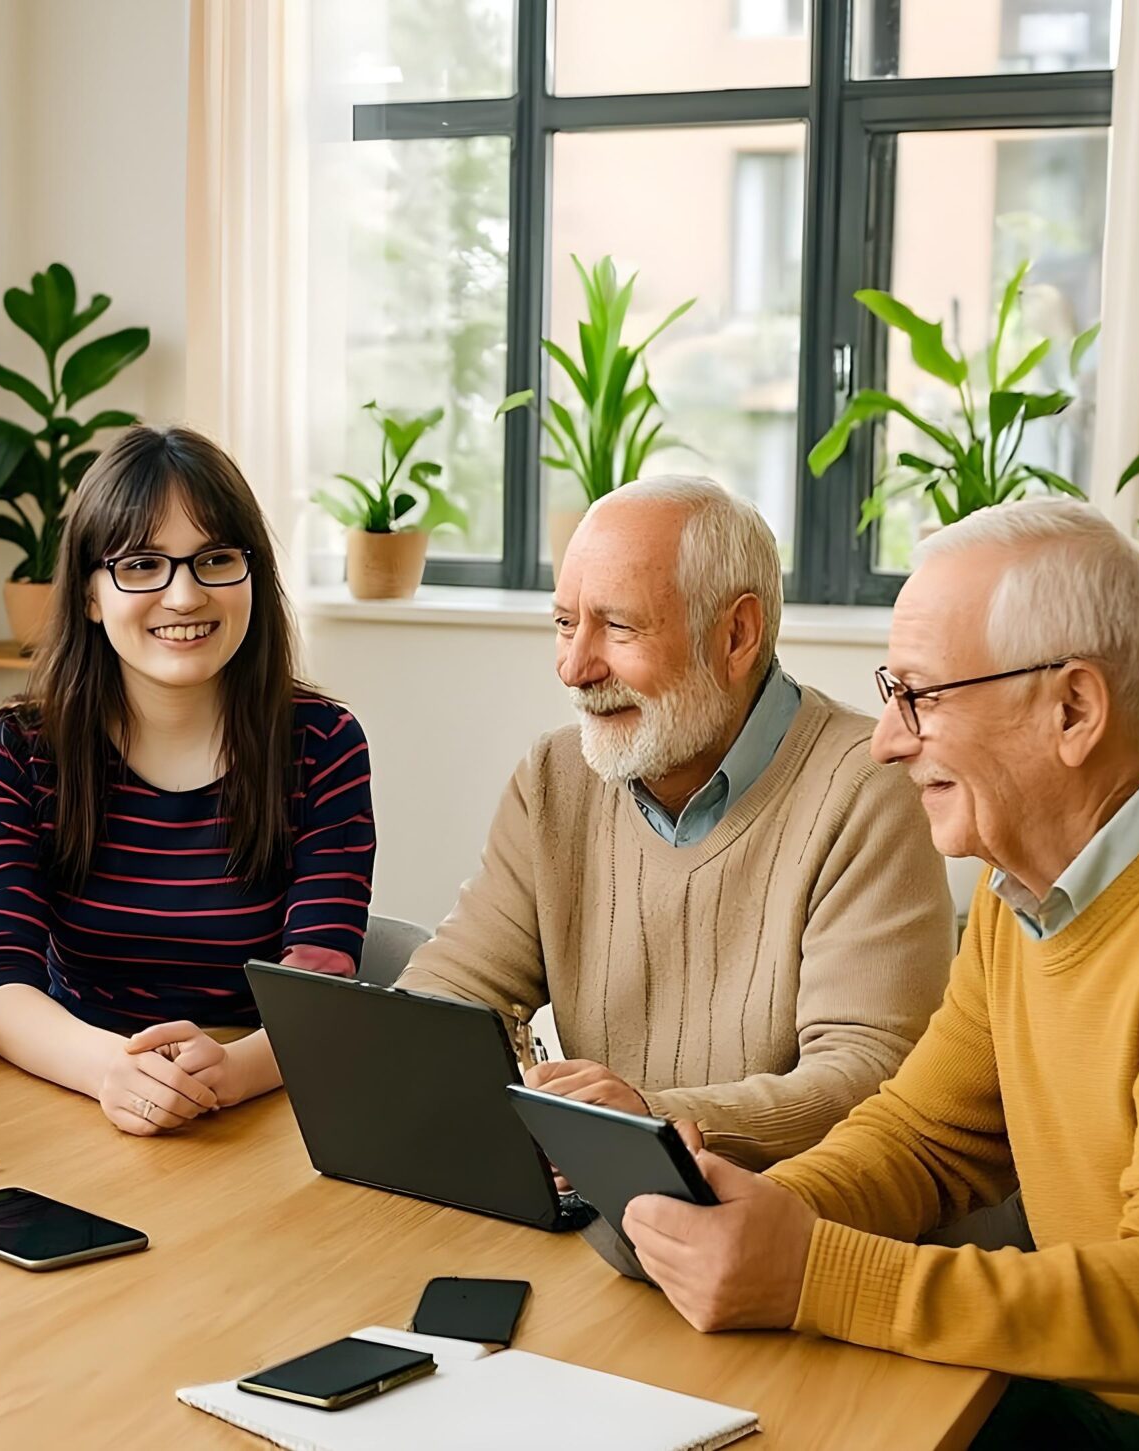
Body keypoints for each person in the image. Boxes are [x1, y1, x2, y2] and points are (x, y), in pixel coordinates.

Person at [620, 499, 1139, 1448]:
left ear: (1073, 710)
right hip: (1098, 1388)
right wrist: (761, 1214)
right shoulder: (1031, 879)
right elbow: (928, 1135)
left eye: (918, 694)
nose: (885, 738)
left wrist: (809, 1272)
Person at [394, 476, 952, 1169]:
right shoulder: (554, 776)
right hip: (607, 1208)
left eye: (618, 626)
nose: (574, 667)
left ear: (736, 635)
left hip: (783, 1227)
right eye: (565, 623)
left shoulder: (869, 788)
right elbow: (447, 996)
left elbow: (872, 1076)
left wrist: (656, 1122)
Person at [0, 425, 374, 1137]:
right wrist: (110, 1069)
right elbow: (0, 979)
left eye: (215, 559)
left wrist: (230, 1073)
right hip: (73, 1087)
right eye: (143, 565)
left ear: (254, 573)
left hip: (264, 1098)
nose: (183, 596)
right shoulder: (20, 748)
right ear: (91, 593)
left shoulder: (323, 744)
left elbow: (321, 976)